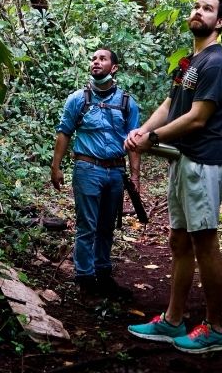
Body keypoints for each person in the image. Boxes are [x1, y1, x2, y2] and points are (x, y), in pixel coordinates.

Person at [125, 0, 222, 354]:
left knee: (204, 242)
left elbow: (198, 117)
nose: (198, 12)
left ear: (219, 22)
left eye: (208, 9)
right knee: (179, 241)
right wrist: (142, 131)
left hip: (204, 161)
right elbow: (171, 104)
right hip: (183, 160)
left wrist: (152, 137)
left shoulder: (216, 62)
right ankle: (173, 320)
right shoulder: (190, 62)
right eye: (196, 6)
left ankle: (216, 327)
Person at [50, 48, 142, 298]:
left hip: (115, 172)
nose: (96, 62)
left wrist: (135, 177)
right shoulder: (77, 99)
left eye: (102, 59)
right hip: (87, 168)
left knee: (106, 225)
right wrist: (55, 167)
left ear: (114, 68)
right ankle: (84, 277)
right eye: (93, 59)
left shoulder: (127, 102)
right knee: (86, 225)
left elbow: (135, 140)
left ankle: (103, 273)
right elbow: (64, 132)